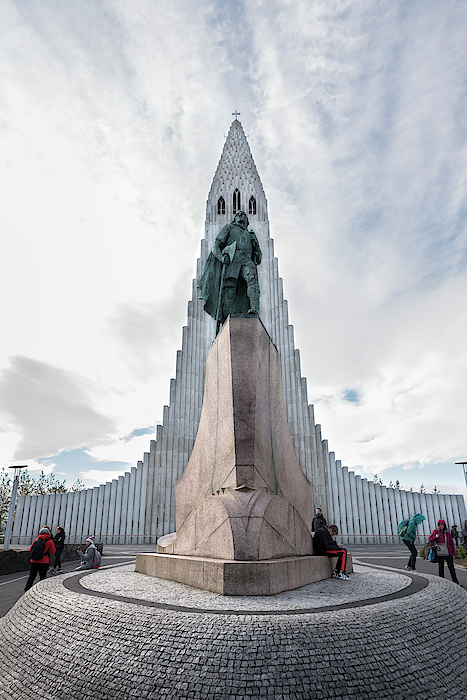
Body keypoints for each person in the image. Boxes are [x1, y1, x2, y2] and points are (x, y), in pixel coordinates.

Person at [198, 210, 262, 326]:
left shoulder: (250, 235)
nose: (240, 215)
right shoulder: (229, 228)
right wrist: (221, 257)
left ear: (247, 220)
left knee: (252, 279)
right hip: (233, 261)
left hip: (247, 261)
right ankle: (227, 319)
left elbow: (258, 259)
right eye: (237, 214)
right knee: (230, 291)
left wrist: (255, 243)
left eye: (242, 214)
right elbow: (216, 246)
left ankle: (254, 309)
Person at [24, 527, 56, 591]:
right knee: (43, 577)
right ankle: (42, 590)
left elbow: (31, 549)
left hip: (34, 561)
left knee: (32, 576)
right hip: (44, 562)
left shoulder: (36, 540)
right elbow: (53, 551)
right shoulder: (49, 541)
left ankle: (27, 588)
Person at [429, 519, 459, 584]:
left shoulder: (447, 533)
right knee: (441, 567)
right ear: (438, 525)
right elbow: (430, 539)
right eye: (440, 525)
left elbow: (451, 543)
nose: (441, 526)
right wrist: (435, 537)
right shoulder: (435, 532)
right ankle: (442, 581)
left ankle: (455, 581)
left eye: (442, 525)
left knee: (451, 567)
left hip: (448, 551)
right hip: (440, 552)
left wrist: (453, 553)